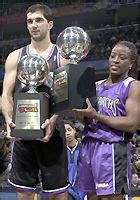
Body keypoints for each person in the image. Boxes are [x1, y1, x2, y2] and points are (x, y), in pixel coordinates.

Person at [2, 3, 70, 200]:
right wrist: (8, 119)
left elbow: (66, 97)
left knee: (58, 194)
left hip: (52, 130)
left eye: (38, 20)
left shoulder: (62, 57)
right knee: (23, 193)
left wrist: (54, 119)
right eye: (29, 21)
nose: (33, 25)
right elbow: (6, 95)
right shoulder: (15, 57)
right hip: (23, 132)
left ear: (50, 24)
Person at [72, 41, 140, 200]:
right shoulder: (96, 86)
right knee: (92, 197)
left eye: (122, 58)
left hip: (112, 148)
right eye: (113, 56)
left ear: (131, 64)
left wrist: (96, 115)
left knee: (112, 197)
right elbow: (88, 120)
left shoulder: (133, 86)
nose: (115, 60)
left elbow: (132, 124)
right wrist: (75, 111)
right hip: (89, 146)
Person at [64, 119, 86, 200]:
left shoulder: (84, 149)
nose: (67, 133)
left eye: (69, 130)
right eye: (64, 131)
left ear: (74, 131)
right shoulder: (60, 152)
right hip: (67, 190)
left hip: (84, 189)